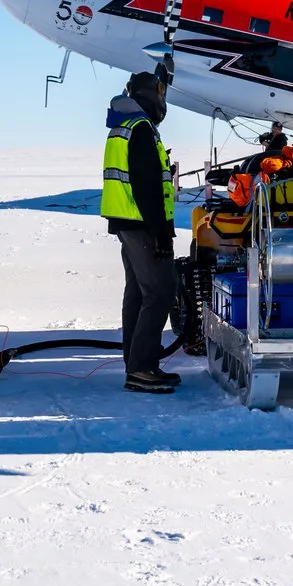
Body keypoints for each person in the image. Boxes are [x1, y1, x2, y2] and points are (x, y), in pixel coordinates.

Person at [102, 69, 183, 393]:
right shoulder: (141, 129)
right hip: (142, 224)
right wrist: (161, 233)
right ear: (152, 95)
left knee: (137, 294)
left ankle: (137, 364)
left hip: (128, 224)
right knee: (161, 291)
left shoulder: (124, 126)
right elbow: (147, 187)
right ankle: (142, 368)